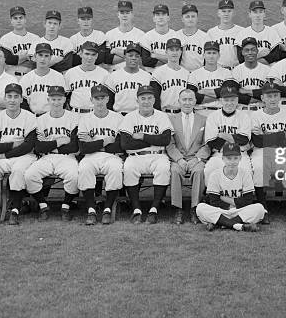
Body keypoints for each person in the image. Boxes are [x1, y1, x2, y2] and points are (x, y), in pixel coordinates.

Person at [0, 83, 38, 225]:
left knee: (18, 171)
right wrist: (13, 144)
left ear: (21, 99)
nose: (12, 100)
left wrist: (5, 154)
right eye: (9, 96)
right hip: (4, 156)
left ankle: (15, 211)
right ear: (4, 99)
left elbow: (29, 146)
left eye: (16, 97)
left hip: (24, 156)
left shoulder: (30, 117)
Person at [119, 86, 173, 224]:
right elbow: (126, 144)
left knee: (163, 169)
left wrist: (142, 136)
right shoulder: (130, 117)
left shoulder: (162, 116)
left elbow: (165, 140)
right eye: (143, 98)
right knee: (129, 168)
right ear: (137, 100)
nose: (146, 101)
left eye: (149, 98)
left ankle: (154, 209)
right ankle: (136, 209)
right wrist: (153, 140)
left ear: (154, 99)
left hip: (158, 155)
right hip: (135, 156)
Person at [25, 85, 80, 221]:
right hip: (46, 158)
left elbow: (74, 146)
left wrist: (50, 146)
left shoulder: (74, 118)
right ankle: (43, 206)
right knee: (30, 175)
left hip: (67, 157)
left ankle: (66, 206)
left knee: (74, 176)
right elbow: (38, 147)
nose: (56, 102)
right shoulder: (40, 120)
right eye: (53, 99)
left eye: (59, 99)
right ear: (48, 100)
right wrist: (58, 142)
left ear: (64, 99)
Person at [77, 84, 124, 226]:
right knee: (84, 169)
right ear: (91, 99)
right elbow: (83, 148)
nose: (99, 101)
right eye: (96, 98)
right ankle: (91, 210)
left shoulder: (118, 118)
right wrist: (105, 141)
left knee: (115, 170)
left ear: (108, 98)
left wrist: (94, 142)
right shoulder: (85, 118)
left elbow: (121, 145)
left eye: (102, 97)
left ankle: (108, 209)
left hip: (113, 156)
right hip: (90, 156)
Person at [249, 82, 286, 225]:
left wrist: (267, 136)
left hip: (283, 151)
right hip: (261, 151)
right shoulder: (255, 115)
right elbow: (257, 141)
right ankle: (264, 209)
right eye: (269, 96)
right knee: (258, 167)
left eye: (275, 95)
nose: (273, 99)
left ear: (279, 97)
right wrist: (281, 135)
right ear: (263, 98)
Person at [196, 143, 265, 232]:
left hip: (239, 211)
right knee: (200, 208)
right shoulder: (215, 175)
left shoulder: (245, 174)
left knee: (259, 209)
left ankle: (220, 223)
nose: (232, 162)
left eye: (235, 158)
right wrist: (234, 203)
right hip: (221, 211)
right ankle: (239, 226)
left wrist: (223, 198)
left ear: (240, 158)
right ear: (223, 159)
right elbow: (214, 201)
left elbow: (248, 200)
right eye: (229, 158)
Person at [166, 89, 211, 225]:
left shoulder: (204, 119)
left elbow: (207, 144)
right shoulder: (171, 120)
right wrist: (179, 159)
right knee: (175, 171)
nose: (187, 102)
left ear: (195, 101)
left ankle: (195, 208)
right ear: (179, 101)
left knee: (198, 171)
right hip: (177, 158)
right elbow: (170, 144)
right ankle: (178, 209)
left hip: (196, 157)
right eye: (184, 99)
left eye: (190, 99)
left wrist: (197, 159)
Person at [203, 83, 253, 183]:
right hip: (220, 154)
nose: (229, 103)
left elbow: (244, 140)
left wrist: (223, 135)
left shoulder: (244, 116)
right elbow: (212, 142)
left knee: (246, 171)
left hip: (240, 154)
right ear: (221, 100)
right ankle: (213, 196)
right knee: (209, 170)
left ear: (237, 100)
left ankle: (242, 197)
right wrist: (234, 139)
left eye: (232, 100)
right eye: (226, 100)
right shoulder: (213, 116)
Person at [187, 41, 233, 117]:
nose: (211, 56)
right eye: (209, 53)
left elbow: (228, 93)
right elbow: (192, 97)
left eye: (214, 53)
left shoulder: (226, 73)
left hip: (221, 113)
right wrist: (219, 97)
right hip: (200, 113)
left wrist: (204, 91)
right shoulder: (194, 74)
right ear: (203, 55)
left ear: (219, 55)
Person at [19, 43, 66, 116]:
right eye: (40, 55)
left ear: (50, 57)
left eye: (46, 56)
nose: (43, 59)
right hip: (32, 116)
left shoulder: (58, 77)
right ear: (35, 56)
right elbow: (23, 102)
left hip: (52, 117)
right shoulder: (26, 78)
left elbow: (62, 101)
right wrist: (30, 116)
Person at [104, 43, 152, 114]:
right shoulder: (114, 76)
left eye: (137, 56)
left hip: (139, 116)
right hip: (119, 115)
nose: (133, 58)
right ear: (125, 57)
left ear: (140, 58)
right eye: (130, 55)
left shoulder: (147, 77)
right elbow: (108, 101)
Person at [64, 41, 109, 114]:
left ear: (97, 56)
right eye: (87, 54)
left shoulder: (104, 74)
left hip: (95, 113)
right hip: (75, 113)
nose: (90, 57)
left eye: (93, 54)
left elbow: (107, 99)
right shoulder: (70, 73)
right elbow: (65, 96)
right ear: (81, 53)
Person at [150, 38, 190, 113]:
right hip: (165, 113)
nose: (174, 53)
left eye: (177, 50)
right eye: (171, 50)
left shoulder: (187, 73)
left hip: (183, 114)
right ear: (166, 52)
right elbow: (155, 98)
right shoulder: (158, 72)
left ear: (181, 52)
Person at [235, 0, 281, 65]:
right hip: (249, 73)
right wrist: (259, 55)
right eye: (255, 12)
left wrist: (251, 61)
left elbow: (275, 56)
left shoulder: (272, 32)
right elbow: (241, 59)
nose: (258, 15)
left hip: (268, 72)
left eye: (261, 12)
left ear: (264, 14)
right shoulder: (242, 34)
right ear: (249, 14)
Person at [232, 37, 271, 112]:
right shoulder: (235, 71)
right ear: (242, 52)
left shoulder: (267, 70)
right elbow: (234, 94)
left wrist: (246, 91)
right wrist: (259, 94)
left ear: (257, 51)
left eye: (253, 50)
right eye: (247, 50)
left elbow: (269, 93)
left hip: (261, 111)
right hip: (242, 111)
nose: (250, 52)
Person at [104, 0, 145, 71]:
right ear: (118, 14)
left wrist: (116, 51)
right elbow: (108, 60)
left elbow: (141, 60)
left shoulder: (141, 35)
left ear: (132, 14)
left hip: (133, 75)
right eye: (122, 12)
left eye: (127, 12)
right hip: (114, 74)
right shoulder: (109, 34)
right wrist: (132, 55)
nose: (124, 15)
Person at [0, 6, 39, 80]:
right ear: (11, 21)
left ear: (25, 19)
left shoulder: (36, 38)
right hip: (12, 77)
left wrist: (18, 59)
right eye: (15, 18)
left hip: (31, 77)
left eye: (21, 18)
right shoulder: (5, 39)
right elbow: (9, 60)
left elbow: (37, 61)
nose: (18, 20)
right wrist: (27, 57)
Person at [207, 0, 242, 70]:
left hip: (237, 69)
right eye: (223, 11)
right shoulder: (211, 32)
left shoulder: (241, 31)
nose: (226, 14)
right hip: (218, 70)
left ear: (233, 13)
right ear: (218, 13)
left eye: (229, 11)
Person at [140, 4, 177, 71]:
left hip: (171, 74)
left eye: (163, 14)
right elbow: (146, 62)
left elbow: (177, 61)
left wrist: (156, 56)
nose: (160, 17)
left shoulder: (175, 36)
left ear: (168, 17)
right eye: (158, 14)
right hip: (152, 75)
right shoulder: (147, 36)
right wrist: (168, 59)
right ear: (154, 18)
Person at [177, 4, 210, 72]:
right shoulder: (176, 36)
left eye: (193, 16)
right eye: (187, 17)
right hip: (180, 74)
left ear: (197, 18)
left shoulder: (205, 37)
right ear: (182, 19)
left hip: (199, 73)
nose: (190, 19)